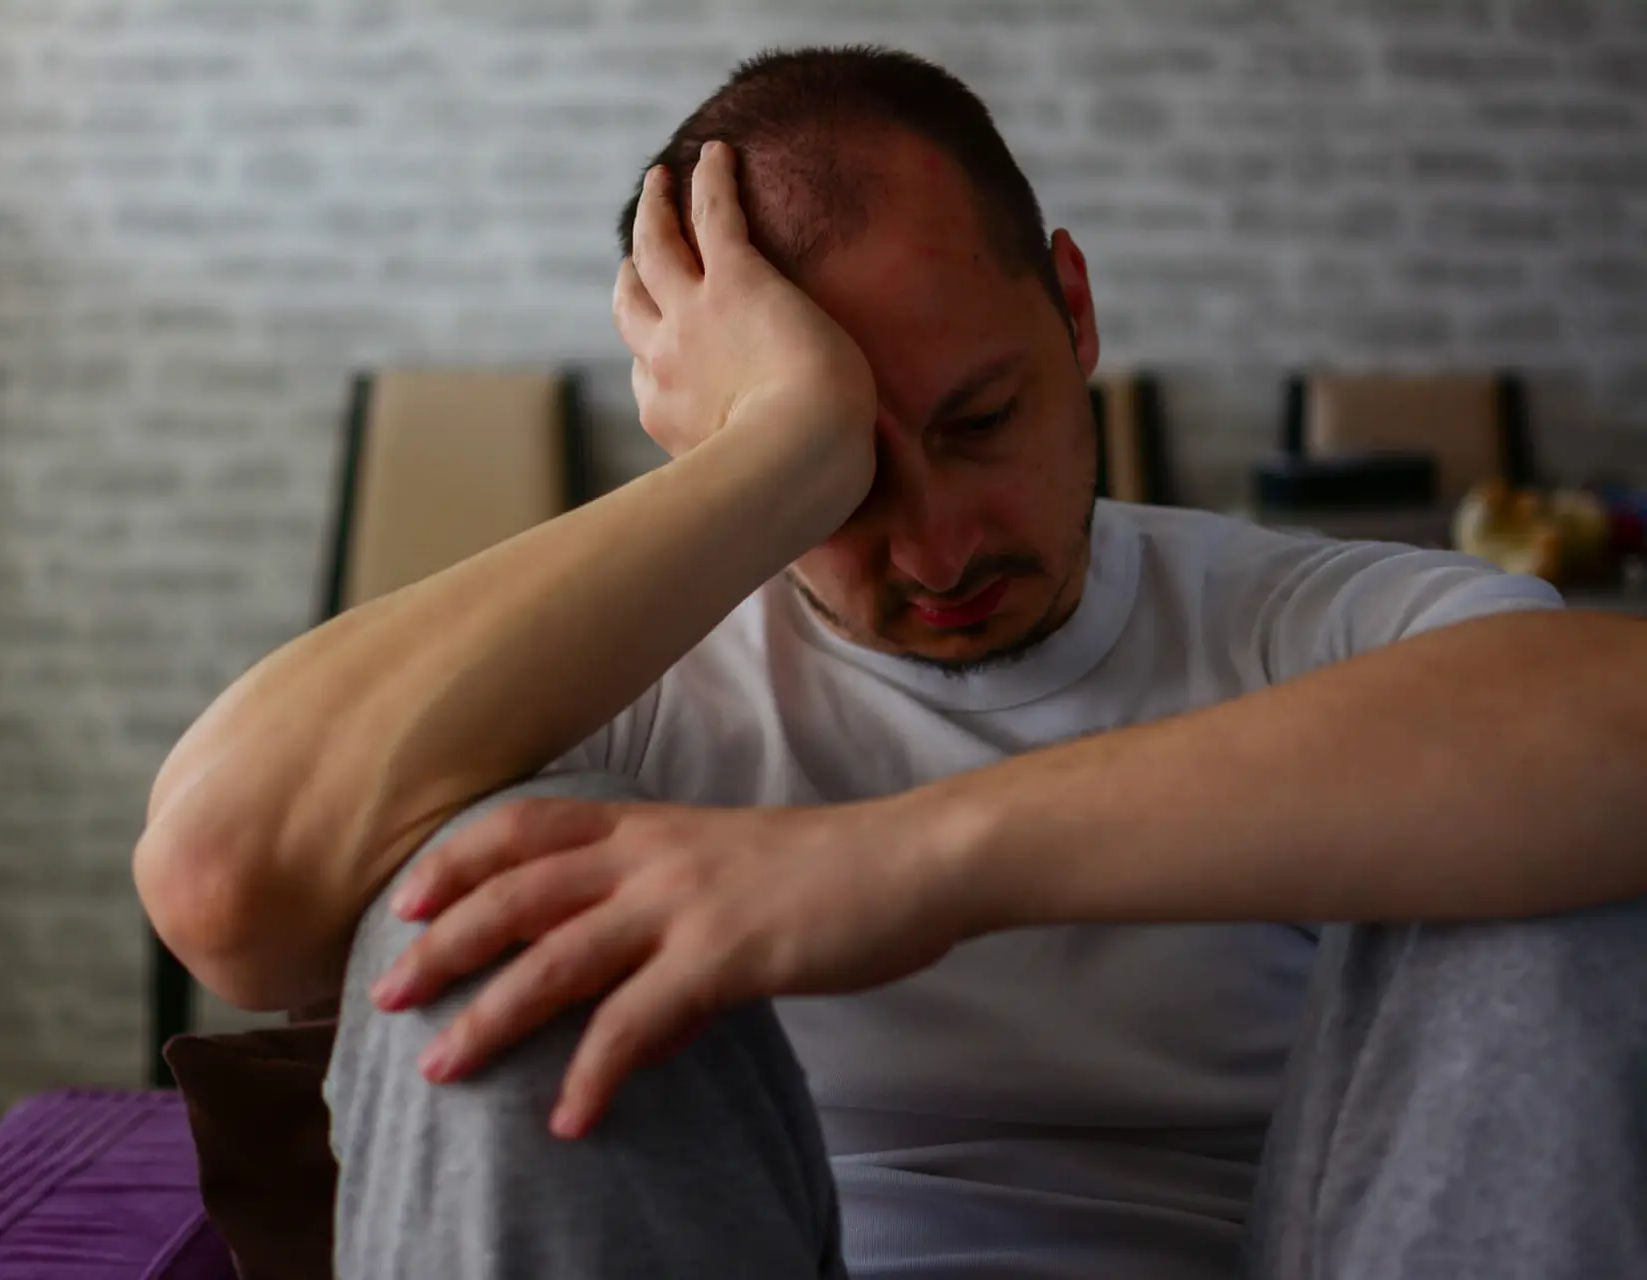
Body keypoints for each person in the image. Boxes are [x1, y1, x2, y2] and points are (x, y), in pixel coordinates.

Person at [135, 46, 1647, 1279]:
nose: (936, 552)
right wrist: (769, 455)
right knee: (481, 882)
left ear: (1074, 308)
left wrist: (900, 866)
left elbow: (1616, 726)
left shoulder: (1299, 627)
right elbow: (225, 886)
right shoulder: (635, 688)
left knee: (1548, 859)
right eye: (848, 479)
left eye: (979, 422)